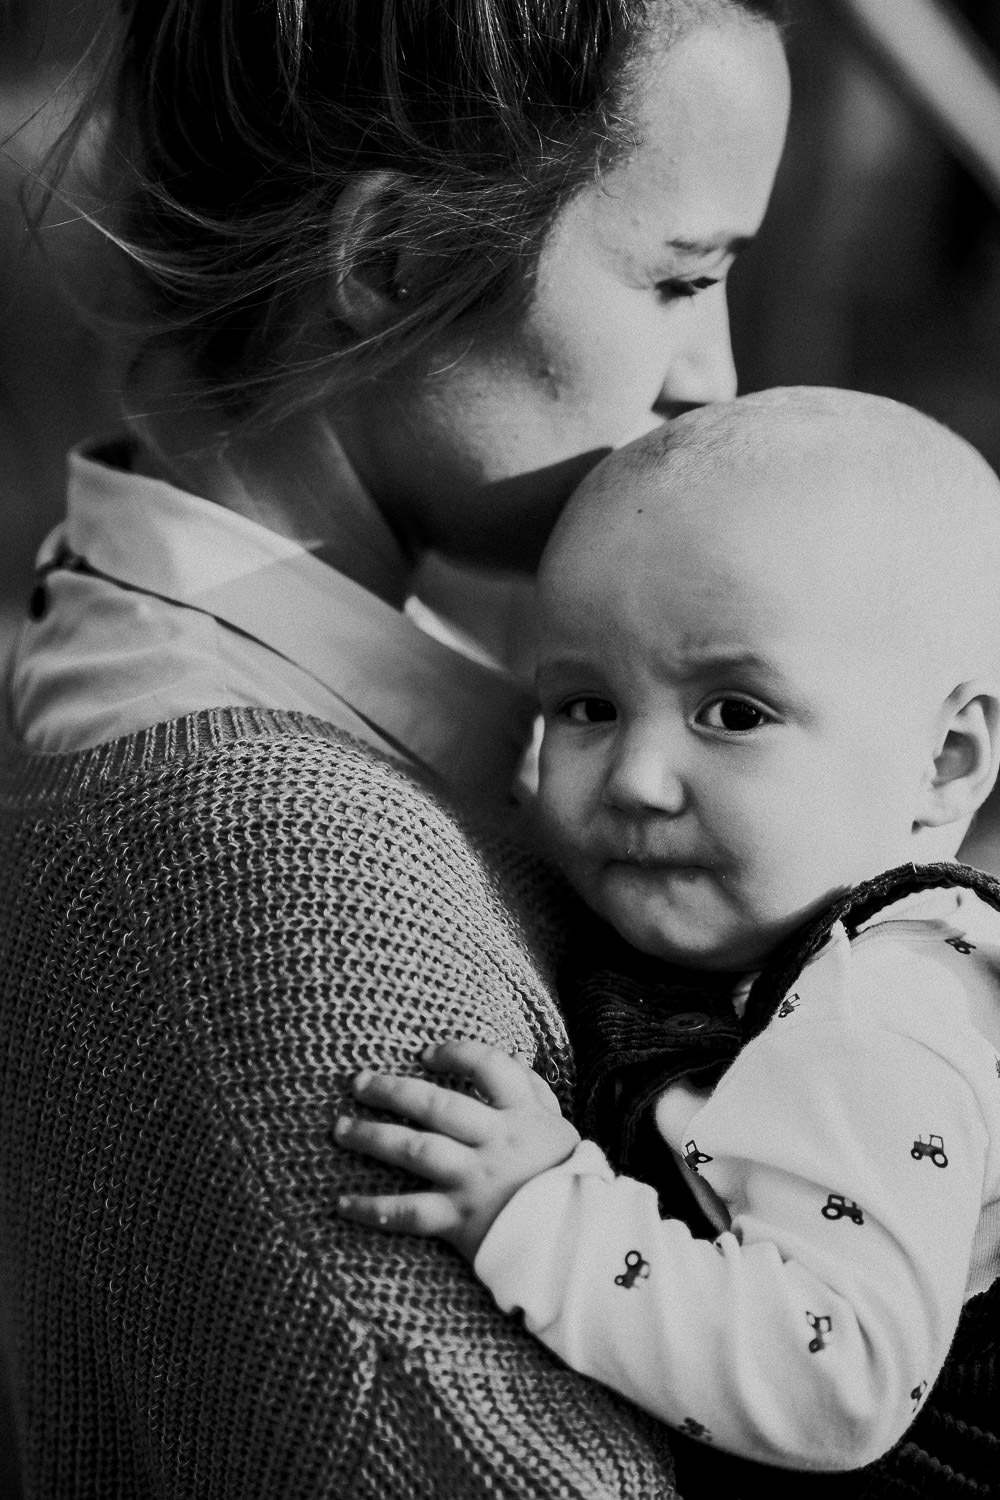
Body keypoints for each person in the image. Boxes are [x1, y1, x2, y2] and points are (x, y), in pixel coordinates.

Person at [0, 2, 791, 1495]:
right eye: (684, 279)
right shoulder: (262, 854)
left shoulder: (166, 668)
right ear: (393, 261)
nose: (714, 382)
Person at [334, 387, 1000, 1496]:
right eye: (586, 708)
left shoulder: (882, 1008)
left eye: (732, 713)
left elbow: (836, 1379)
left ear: (942, 763)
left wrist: (540, 1214)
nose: (636, 781)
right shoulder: (744, 937)